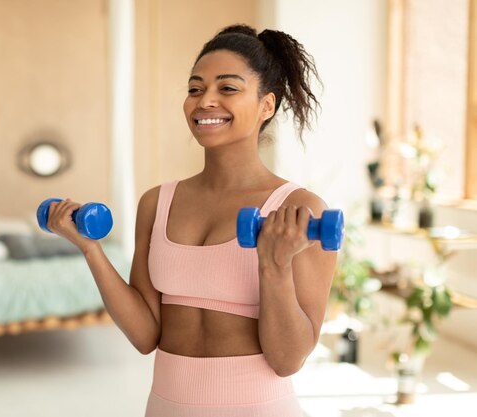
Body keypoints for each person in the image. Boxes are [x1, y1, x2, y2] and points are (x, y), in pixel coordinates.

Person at [47, 24, 337, 417]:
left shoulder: (300, 211)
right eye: (195, 89)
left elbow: (287, 360)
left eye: (228, 89)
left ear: (266, 106)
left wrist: (275, 264)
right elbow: (146, 335)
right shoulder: (158, 202)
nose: (205, 102)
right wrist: (90, 249)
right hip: (166, 406)